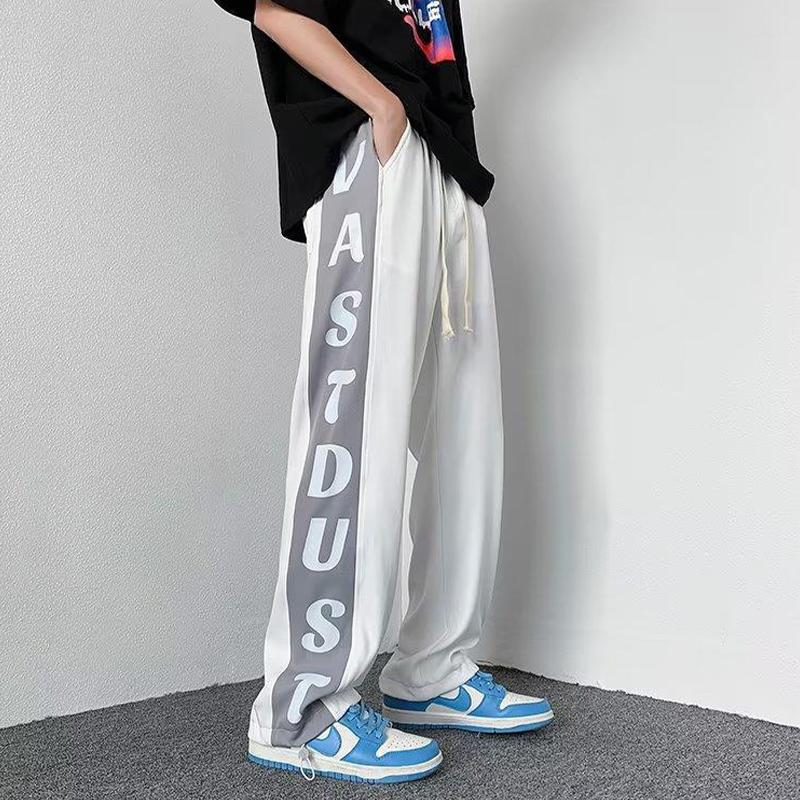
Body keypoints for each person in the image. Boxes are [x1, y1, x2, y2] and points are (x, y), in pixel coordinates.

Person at [212, 0, 554, 784]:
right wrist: (382, 106)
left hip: (442, 153)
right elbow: (268, 5)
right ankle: (301, 705)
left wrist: (423, 125)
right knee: (354, 422)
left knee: (465, 424)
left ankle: (433, 667)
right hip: (370, 145)